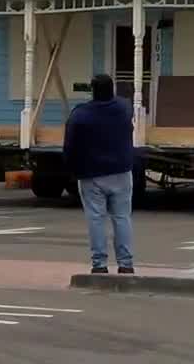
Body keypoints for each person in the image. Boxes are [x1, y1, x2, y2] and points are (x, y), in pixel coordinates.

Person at [63, 73, 136, 274]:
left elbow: (70, 145)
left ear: (92, 91)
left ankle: (99, 264)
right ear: (112, 89)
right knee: (122, 217)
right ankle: (126, 264)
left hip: (91, 173)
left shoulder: (80, 114)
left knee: (96, 218)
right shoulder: (124, 108)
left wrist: (70, 169)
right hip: (121, 171)